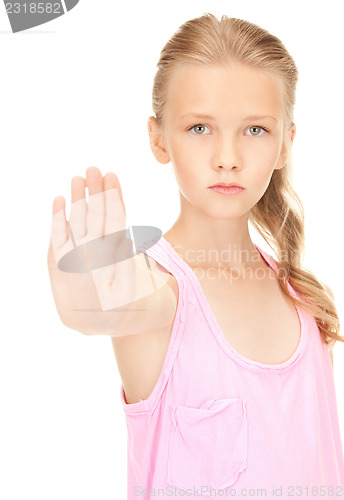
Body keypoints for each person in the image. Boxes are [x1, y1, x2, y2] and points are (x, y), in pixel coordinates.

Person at [47, 12, 344, 500]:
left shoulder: (301, 299)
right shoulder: (159, 290)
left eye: (254, 130)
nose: (227, 156)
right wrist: (85, 303)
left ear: (286, 144)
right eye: (200, 127)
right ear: (158, 137)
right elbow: (118, 307)